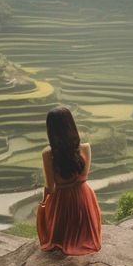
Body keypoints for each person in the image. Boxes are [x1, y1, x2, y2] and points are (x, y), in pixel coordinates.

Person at [36, 106, 102, 255]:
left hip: (61, 204)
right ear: (71, 125)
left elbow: (51, 188)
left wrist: (43, 204)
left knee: (44, 209)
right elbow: (83, 178)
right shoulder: (85, 148)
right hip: (85, 201)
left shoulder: (48, 154)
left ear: (51, 130)